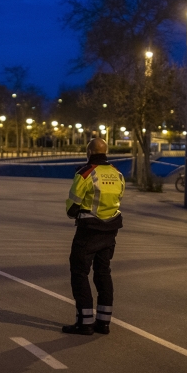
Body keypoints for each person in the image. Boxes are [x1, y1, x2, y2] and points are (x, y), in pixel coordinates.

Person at [62, 137, 125, 335]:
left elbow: (72, 207)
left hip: (88, 231)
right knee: (103, 273)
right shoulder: (117, 174)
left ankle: (85, 322)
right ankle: (103, 322)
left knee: (79, 273)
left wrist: (77, 213)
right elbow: (118, 198)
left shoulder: (85, 173)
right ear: (106, 152)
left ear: (89, 153)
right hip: (110, 230)